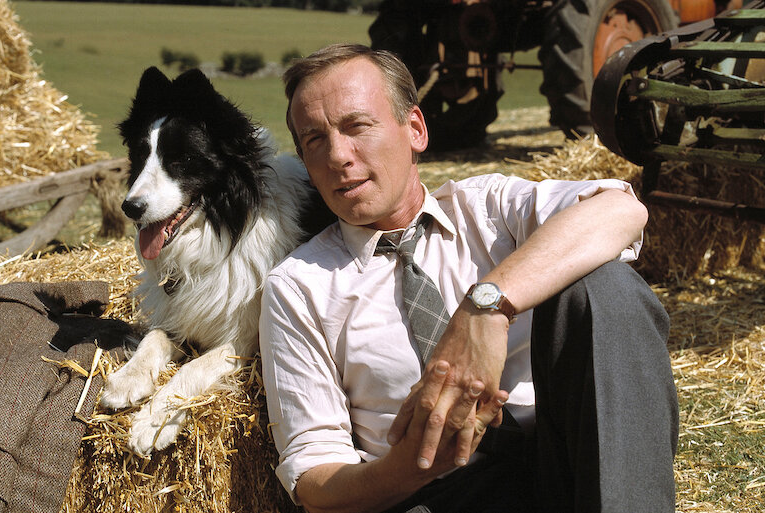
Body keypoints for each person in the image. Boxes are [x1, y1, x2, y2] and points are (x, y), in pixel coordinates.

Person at [259, 43, 678, 513]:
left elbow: (620, 211)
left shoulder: (490, 209)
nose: (338, 155)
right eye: (314, 140)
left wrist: (485, 309)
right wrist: (411, 466)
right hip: (433, 497)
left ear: (415, 129)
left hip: (566, 461)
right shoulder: (298, 287)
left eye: (357, 126)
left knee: (606, 288)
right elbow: (313, 482)